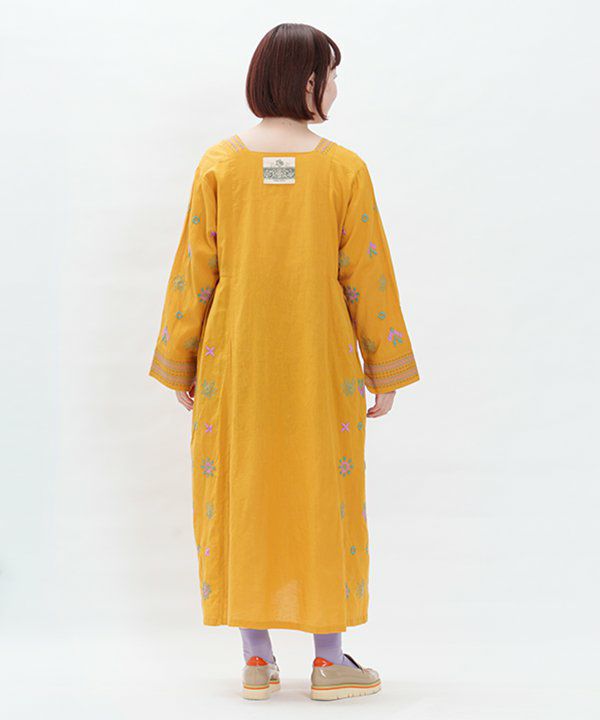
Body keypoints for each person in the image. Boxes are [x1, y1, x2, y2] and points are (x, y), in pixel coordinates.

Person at [148, 22, 420, 701]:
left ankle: (256, 659)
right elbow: (368, 277)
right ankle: (328, 662)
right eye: (332, 75)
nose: (337, 88)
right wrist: (383, 368)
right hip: (319, 369)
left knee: (244, 493)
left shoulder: (219, 164)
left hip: (235, 368)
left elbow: (193, 274)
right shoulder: (343, 170)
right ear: (307, 81)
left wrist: (182, 361)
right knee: (323, 495)